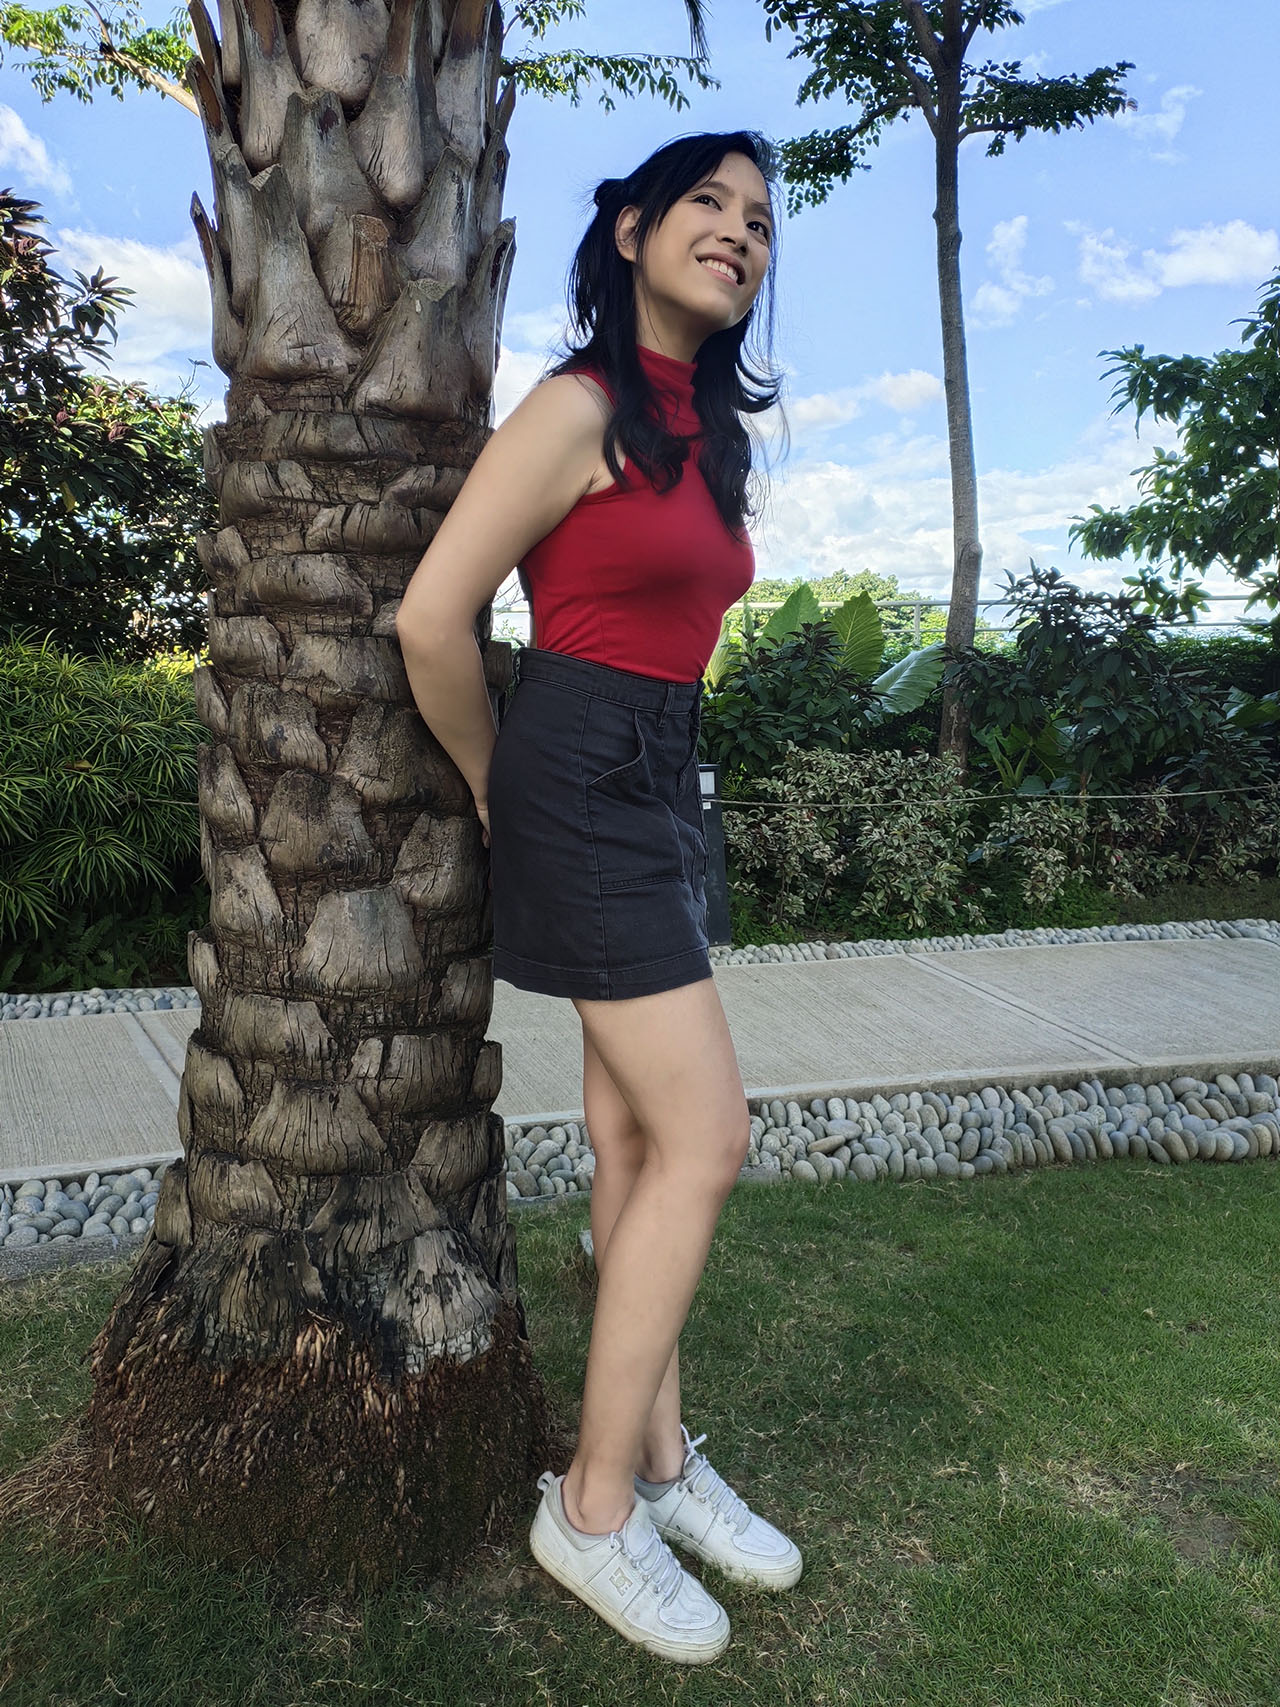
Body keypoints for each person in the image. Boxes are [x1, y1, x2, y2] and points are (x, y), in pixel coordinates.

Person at [395, 130, 801, 1665]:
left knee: (638, 1140)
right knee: (710, 1135)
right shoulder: (576, 409)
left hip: (665, 771)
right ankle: (591, 1505)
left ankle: (661, 1461)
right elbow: (433, 615)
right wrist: (493, 782)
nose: (740, 232)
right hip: (575, 768)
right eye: (707, 202)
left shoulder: (711, 433)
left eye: (760, 220)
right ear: (630, 229)